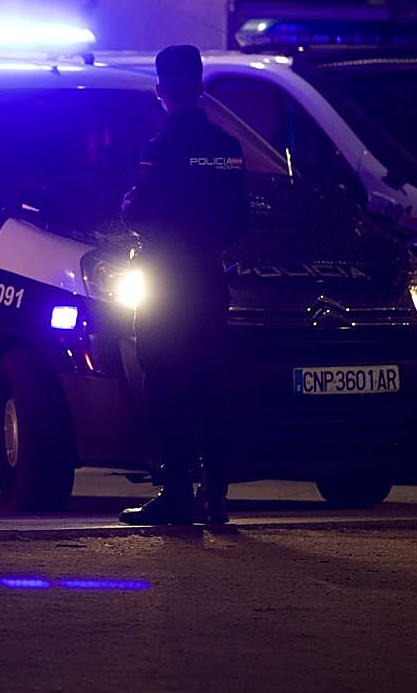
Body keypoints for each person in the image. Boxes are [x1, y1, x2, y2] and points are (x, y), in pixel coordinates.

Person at [118, 44, 249, 526]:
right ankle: (217, 494)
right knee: (212, 387)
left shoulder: (161, 148)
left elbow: (138, 211)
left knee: (166, 386)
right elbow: (240, 221)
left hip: (168, 285)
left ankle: (175, 493)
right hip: (211, 282)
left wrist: (134, 204)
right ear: (200, 89)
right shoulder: (229, 149)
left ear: (160, 92)